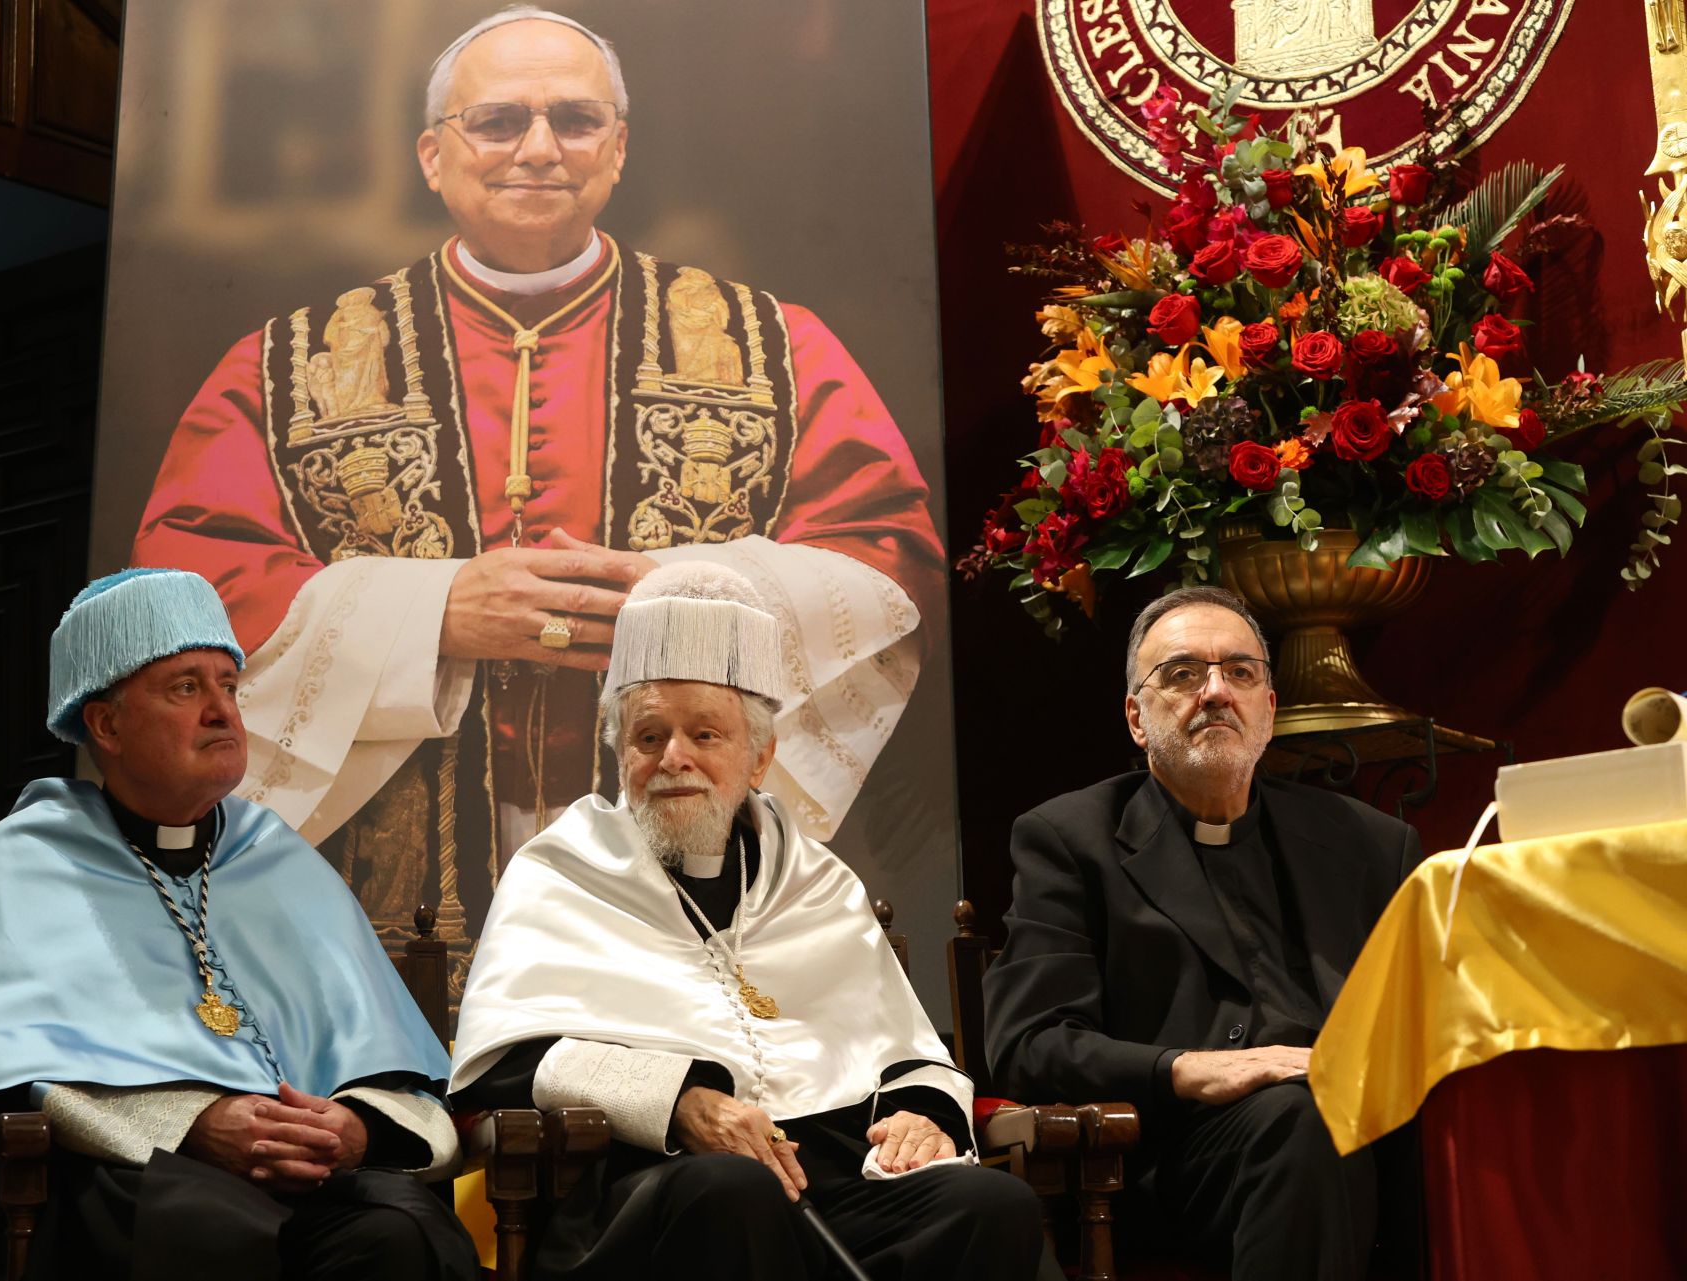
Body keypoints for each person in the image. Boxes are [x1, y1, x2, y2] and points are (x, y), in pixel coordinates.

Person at [130, 6, 945, 975]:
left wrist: (687, 598)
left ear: (620, 148)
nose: (540, 148)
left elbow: (889, 562)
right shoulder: (291, 368)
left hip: (680, 867)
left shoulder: (771, 348)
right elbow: (180, 593)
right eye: (500, 121)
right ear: (433, 155)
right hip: (391, 902)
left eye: (575, 119)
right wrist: (431, 616)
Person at [447, 562, 1048, 1281]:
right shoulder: (563, 870)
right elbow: (508, 1061)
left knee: (991, 1203)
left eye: (705, 733)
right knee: (734, 1191)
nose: (674, 757)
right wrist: (679, 1102)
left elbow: (903, 1047)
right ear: (620, 753)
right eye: (648, 736)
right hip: (654, 1192)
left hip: (835, 1185)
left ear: (758, 756)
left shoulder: (814, 880)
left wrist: (924, 1115)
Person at [0, 569, 476, 1281]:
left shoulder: (276, 855)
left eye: (229, 685)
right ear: (106, 723)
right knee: (210, 1233)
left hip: (316, 1178)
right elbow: (7, 1075)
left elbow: (394, 1073)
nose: (222, 712)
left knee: (403, 1233)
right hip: (145, 1174)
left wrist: (351, 1128)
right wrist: (193, 1124)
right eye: (185, 687)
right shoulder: (30, 859)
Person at [983, 586, 1423, 1280]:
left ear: (1268, 712)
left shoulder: (1369, 844)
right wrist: (1186, 1069)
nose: (1216, 692)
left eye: (1241, 672)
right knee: (1299, 1120)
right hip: (1176, 1156)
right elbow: (1028, 1042)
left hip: (1356, 1131)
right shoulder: (1070, 840)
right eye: (1183, 674)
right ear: (1136, 716)